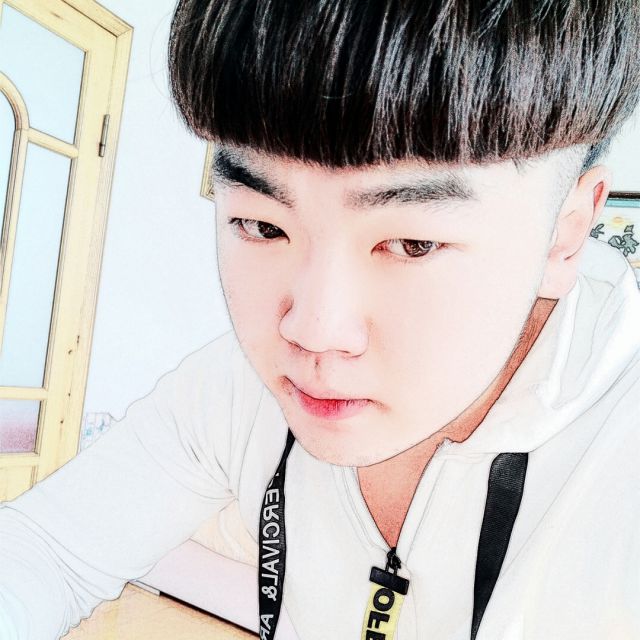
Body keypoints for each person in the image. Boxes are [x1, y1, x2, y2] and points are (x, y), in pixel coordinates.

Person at [2, 1, 640, 638]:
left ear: (565, 234)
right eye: (261, 225)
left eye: (412, 243)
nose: (311, 331)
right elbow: (48, 551)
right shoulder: (234, 391)